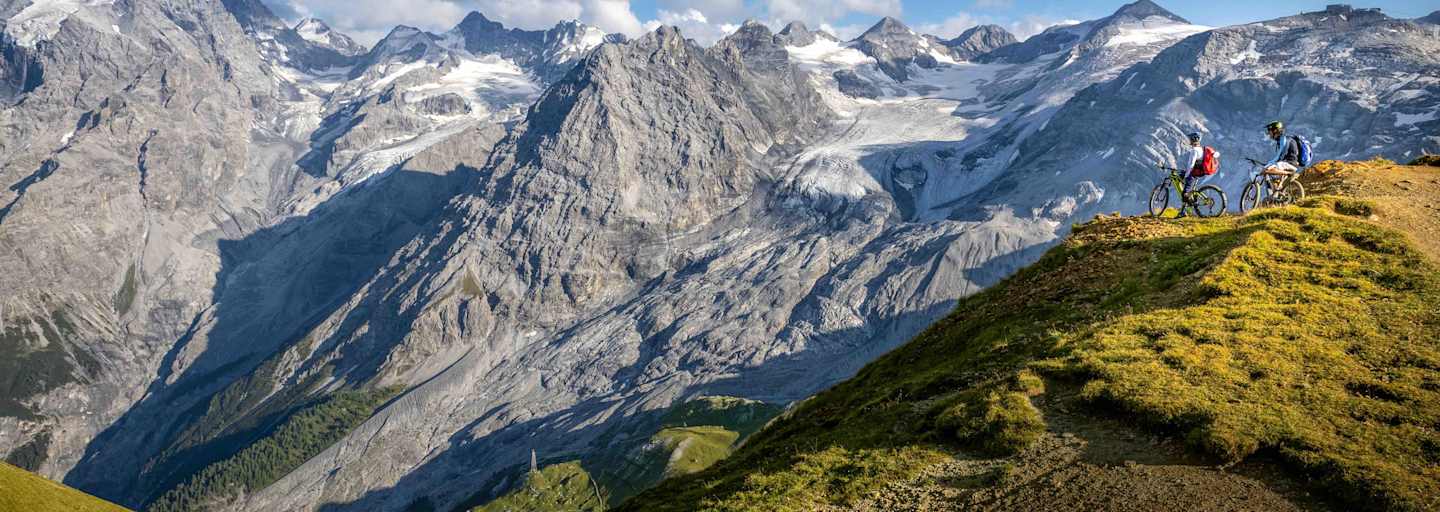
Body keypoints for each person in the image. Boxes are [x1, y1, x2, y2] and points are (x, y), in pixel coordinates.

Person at [1176, 132, 1207, 218]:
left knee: (1184, 194)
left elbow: (1191, 165)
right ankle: (1183, 211)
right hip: (1199, 171)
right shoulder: (1201, 149)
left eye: (1190, 139)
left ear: (1193, 140)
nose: (1189, 140)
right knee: (1182, 177)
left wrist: (1186, 175)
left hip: (1193, 173)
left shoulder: (1194, 150)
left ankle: (1189, 207)